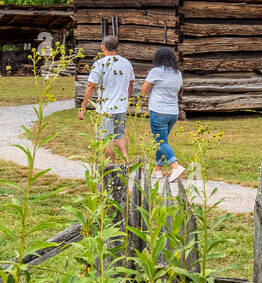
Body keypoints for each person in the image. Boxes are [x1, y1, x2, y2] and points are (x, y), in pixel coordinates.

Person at [77, 35, 134, 164]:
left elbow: (91, 85)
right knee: (119, 135)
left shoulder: (100, 64)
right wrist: (127, 100)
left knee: (106, 138)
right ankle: (126, 160)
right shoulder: (126, 63)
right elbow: (130, 84)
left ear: (103, 47)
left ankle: (110, 165)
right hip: (121, 106)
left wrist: (83, 107)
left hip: (106, 108)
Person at [141, 46, 185, 183]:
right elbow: (177, 91)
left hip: (158, 111)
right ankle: (158, 170)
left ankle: (175, 166)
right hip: (173, 113)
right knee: (162, 140)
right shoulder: (178, 73)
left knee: (160, 141)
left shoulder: (155, 72)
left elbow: (144, 90)